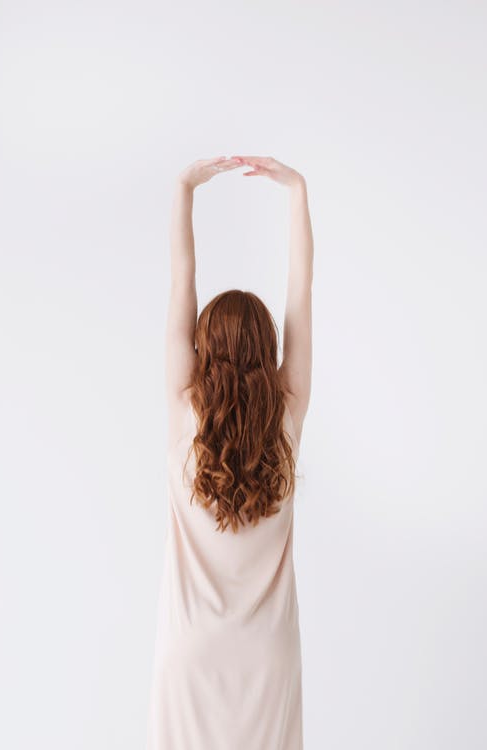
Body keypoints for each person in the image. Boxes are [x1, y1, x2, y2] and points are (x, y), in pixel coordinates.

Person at [145, 154, 314, 750]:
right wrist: (297, 193)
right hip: (268, 657)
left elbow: (179, 280)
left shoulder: (184, 412)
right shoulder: (286, 419)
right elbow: (300, 294)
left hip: (189, 652)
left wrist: (184, 185)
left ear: (200, 348)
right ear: (269, 350)